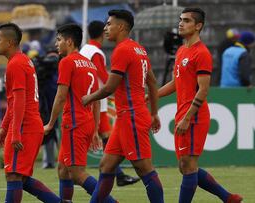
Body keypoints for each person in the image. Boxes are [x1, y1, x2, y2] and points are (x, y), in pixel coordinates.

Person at [156, 8, 243, 202]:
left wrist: (187, 118)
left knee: (188, 165)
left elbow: (203, 90)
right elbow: (174, 84)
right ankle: (228, 198)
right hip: (182, 114)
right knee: (184, 165)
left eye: (186, 20)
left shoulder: (201, 53)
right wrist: (152, 96)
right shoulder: (181, 50)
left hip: (194, 117)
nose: (181, 23)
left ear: (198, 26)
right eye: (180, 20)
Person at [82, 10, 164, 203]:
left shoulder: (122, 50)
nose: (105, 28)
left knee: (144, 168)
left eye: (109, 24)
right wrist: (154, 113)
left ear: (122, 27)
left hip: (132, 117)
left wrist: (89, 98)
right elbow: (152, 82)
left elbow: (110, 86)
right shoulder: (138, 49)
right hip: (127, 117)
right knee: (106, 165)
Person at [43, 24, 117, 202]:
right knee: (63, 169)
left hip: (74, 122)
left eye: (59, 40)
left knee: (77, 173)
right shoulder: (89, 64)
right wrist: (96, 128)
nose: (56, 44)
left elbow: (60, 97)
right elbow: (97, 100)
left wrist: (51, 123)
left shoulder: (67, 62)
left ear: (69, 42)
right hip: (86, 121)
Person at [0, 22, 66, 203]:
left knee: (14, 176)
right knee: (21, 178)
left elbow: (19, 101)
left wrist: (15, 132)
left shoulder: (16, 64)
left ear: (10, 42)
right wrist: (4, 128)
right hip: (28, 123)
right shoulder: (22, 60)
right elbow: (13, 102)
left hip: (25, 126)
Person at [79, 20, 140, 187]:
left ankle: (116, 174)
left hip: (87, 95)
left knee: (99, 134)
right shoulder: (96, 52)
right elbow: (103, 76)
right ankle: (114, 174)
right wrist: (116, 86)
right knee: (106, 135)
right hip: (97, 98)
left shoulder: (84, 49)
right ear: (102, 34)